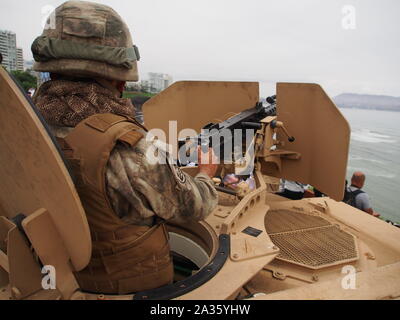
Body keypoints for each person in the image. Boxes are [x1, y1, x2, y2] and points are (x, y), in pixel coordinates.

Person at [31, 0, 218, 294]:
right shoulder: (131, 148)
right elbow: (196, 206)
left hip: (50, 277)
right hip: (122, 284)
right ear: (120, 80)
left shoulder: (27, 125)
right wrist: (207, 172)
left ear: (50, 69)